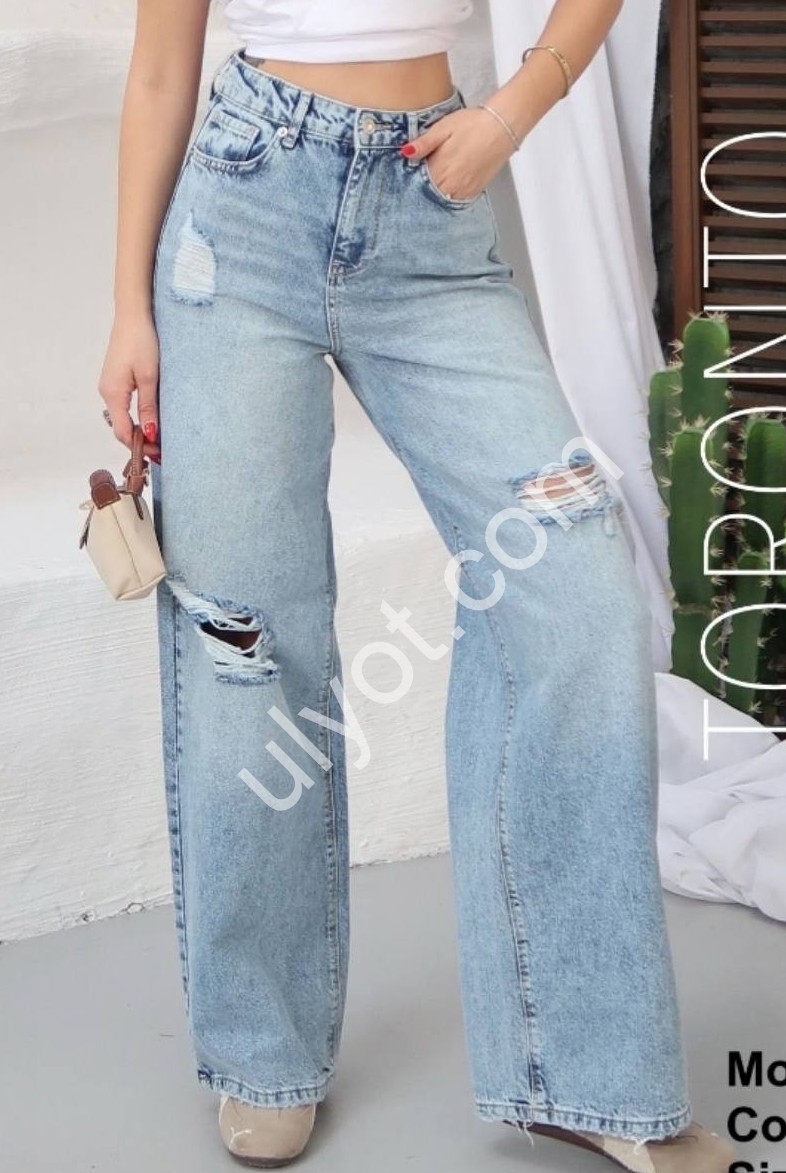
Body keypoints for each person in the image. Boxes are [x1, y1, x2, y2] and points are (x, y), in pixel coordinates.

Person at [97, 1, 736, 1169]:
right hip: (241, 216)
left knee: (576, 578)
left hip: (432, 207)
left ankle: (583, 1077)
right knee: (249, 644)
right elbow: (156, 74)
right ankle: (262, 1053)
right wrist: (129, 309)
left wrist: (512, 112)